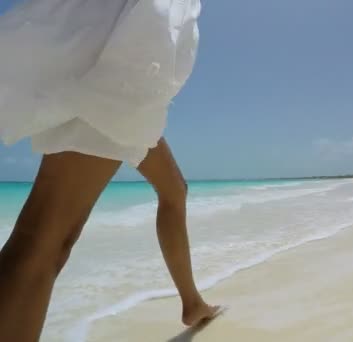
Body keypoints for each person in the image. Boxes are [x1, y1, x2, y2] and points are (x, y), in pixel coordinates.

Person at [0, 0, 219, 340]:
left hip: (127, 51)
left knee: (174, 190)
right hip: (121, 49)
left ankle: (192, 303)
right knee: (44, 239)